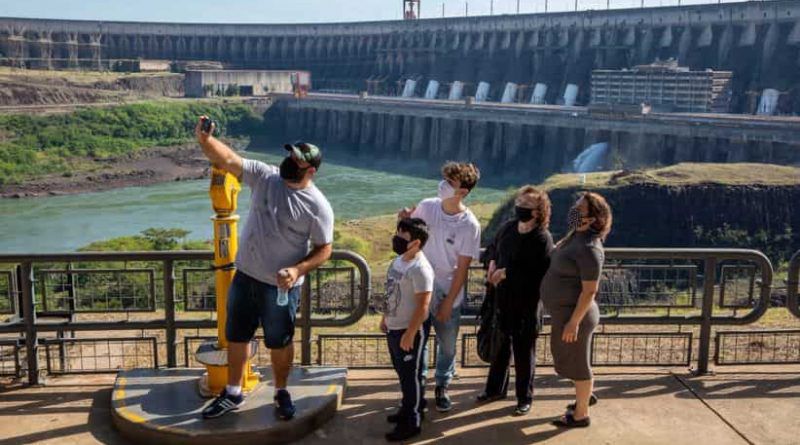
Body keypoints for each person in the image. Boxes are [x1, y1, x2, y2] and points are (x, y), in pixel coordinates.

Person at [195, 117, 334, 421]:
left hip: (280, 288)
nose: (288, 162)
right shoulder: (265, 176)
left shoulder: (318, 206)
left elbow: (325, 248)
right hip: (245, 276)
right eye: (289, 156)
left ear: (310, 171)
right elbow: (229, 158)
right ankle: (233, 392)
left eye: (296, 161)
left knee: (279, 341)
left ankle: (281, 391)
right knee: (237, 336)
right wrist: (206, 141)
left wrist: (298, 271)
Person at [399, 162, 481, 412]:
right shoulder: (427, 206)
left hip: (447, 290)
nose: (443, 185)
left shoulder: (469, 225)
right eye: (445, 180)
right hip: (421, 287)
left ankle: (442, 384)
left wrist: (448, 302)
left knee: (446, 344)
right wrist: (403, 219)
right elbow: (407, 234)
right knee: (418, 338)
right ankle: (419, 385)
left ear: (463, 192)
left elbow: (462, 268)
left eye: (450, 182)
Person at [477, 186, 553, 416]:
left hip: (526, 305)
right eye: (519, 203)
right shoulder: (508, 228)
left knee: (523, 353)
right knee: (500, 348)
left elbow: (539, 272)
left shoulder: (542, 238)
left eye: (526, 206)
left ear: (538, 211)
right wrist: (490, 263)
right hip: (502, 301)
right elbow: (491, 248)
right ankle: (494, 390)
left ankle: (524, 398)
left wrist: (506, 273)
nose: (520, 208)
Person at [540, 192, 612, 428]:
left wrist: (574, 322)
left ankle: (581, 415)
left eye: (579, 210)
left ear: (592, 219)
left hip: (575, 316)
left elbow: (590, 291)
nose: (574, 211)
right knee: (568, 359)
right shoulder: (575, 237)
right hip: (565, 314)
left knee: (578, 364)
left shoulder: (590, 249)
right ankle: (584, 397)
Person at [380, 218, 434, 442]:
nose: (397, 239)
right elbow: (390, 291)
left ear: (416, 243)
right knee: (403, 374)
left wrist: (410, 334)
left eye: (403, 237)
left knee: (410, 376)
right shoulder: (398, 262)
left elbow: (423, 306)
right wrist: (385, 318)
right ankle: (408, 408)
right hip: (393, 326)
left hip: (408, 330)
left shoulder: (421, 269)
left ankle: (412, 421)